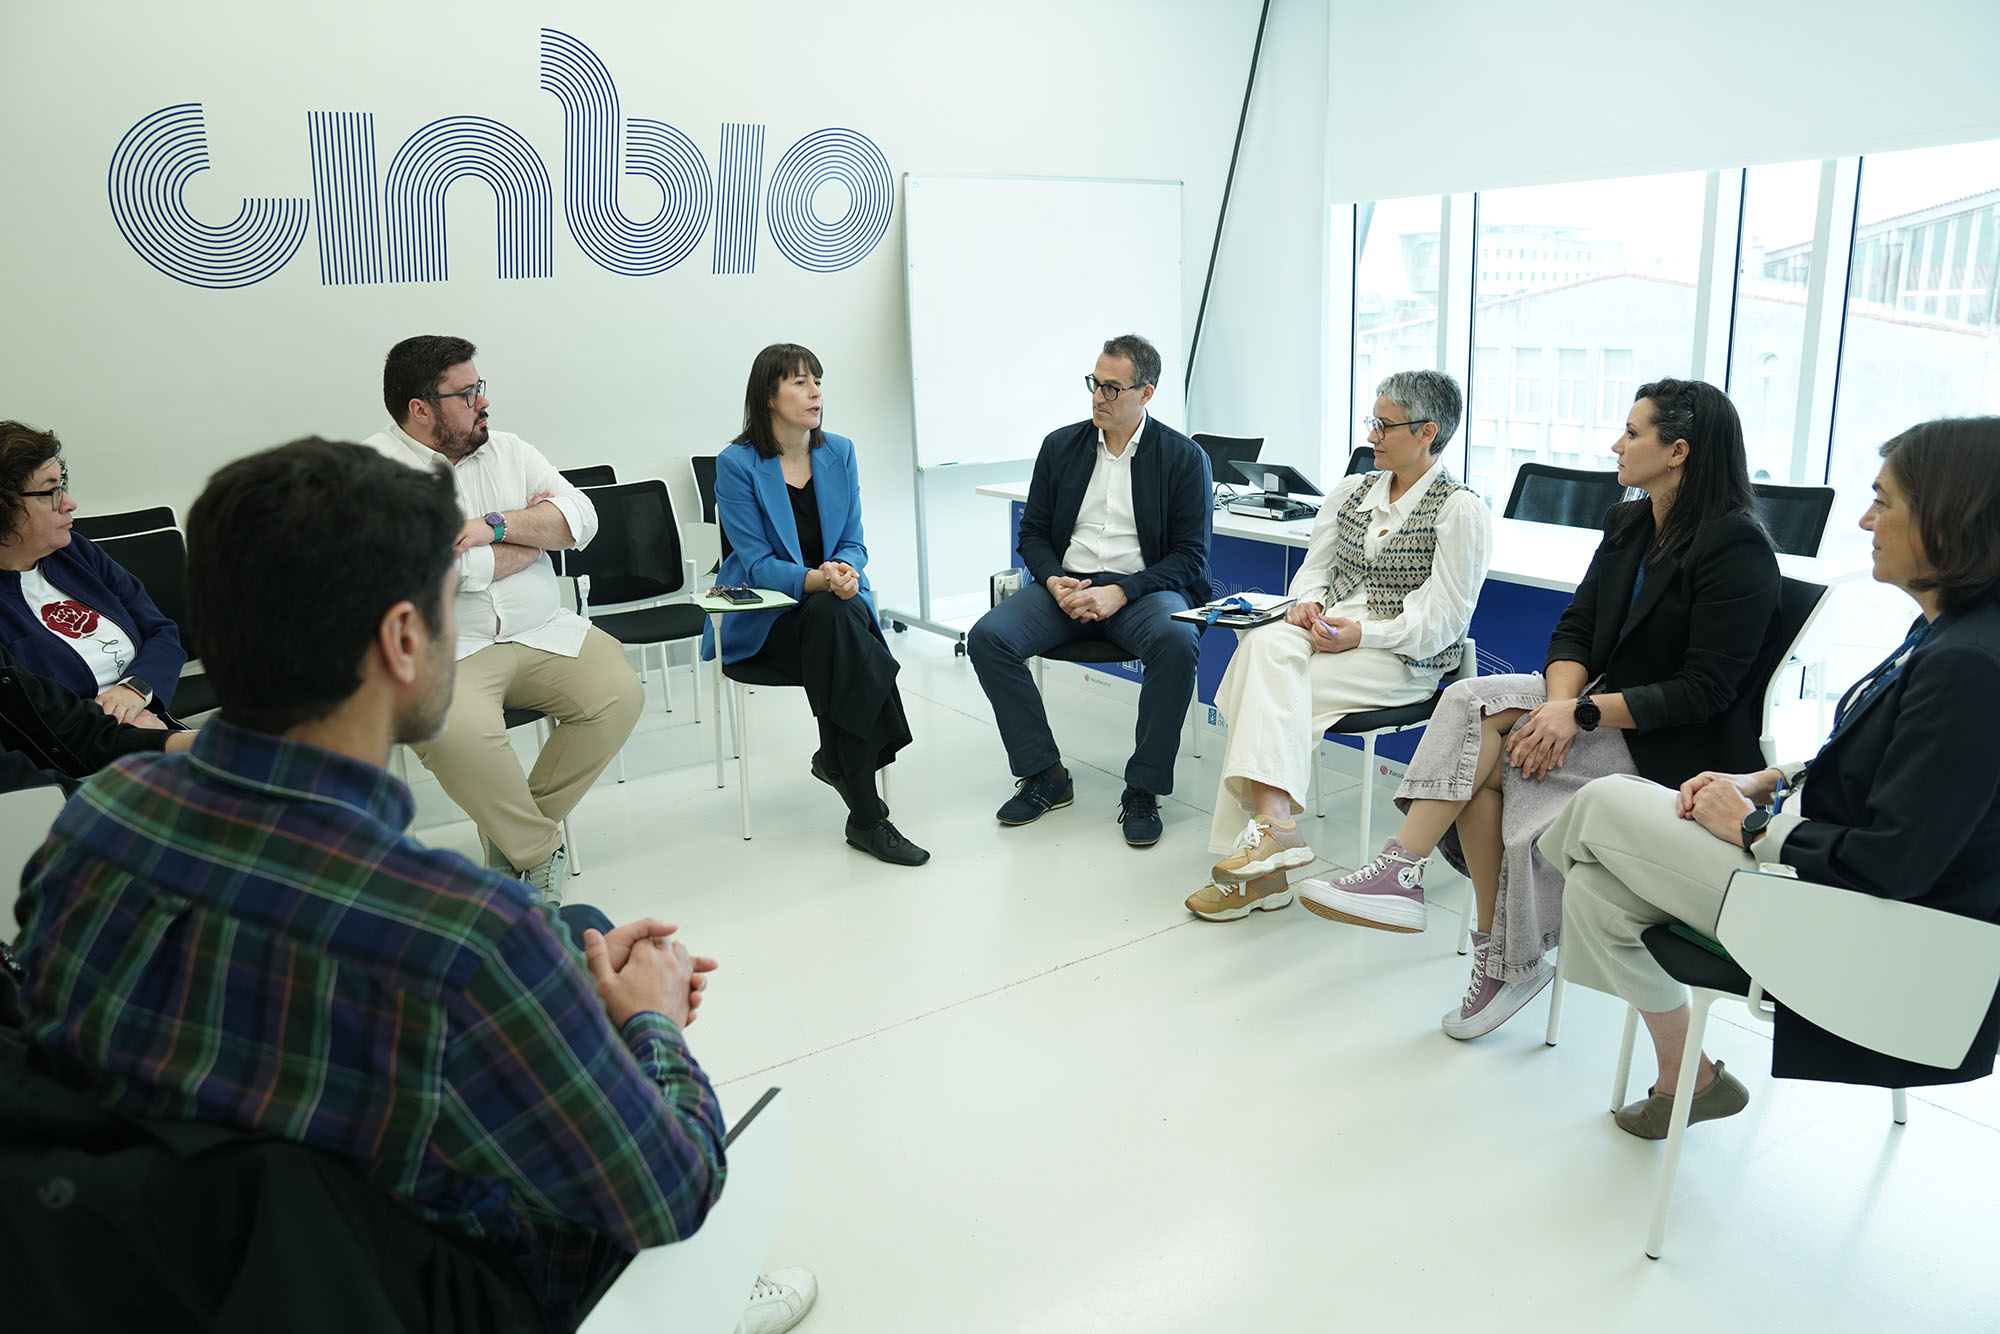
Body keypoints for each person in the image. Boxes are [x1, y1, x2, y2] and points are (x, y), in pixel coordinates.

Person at [9, 438, 818, 1333]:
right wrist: (649, 1020)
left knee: (575, 927)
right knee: (598, 1002)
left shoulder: (97, 823)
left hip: (201, 1262)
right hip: (436, 1284)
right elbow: (669, 1191)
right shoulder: (466, 939)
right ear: (403, 639)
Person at [1544, 416, 2000, 1137]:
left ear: (1952, 517)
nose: (1864, 521)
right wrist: (1771, 776)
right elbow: (1902, 760)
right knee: (1596, 893)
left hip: (1874, 927)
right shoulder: (1948, 632)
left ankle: (1525, 935)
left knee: (1600, 807)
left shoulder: (1971, 663)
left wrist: (1755, 828)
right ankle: (1690, 1078)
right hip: (1828, 874)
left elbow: (1896, 862)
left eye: (1883, 502)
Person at [1302, 379, 1783, 1041]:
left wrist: (1578, 717)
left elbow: (1704, 692)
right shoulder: (1630, 523)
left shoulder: (1737, 548)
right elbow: (1575, 629)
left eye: (1632, 433)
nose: (1616, 445)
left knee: (1486, 767)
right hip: (1597, 705)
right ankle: (1446, 911)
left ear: (1678, 452)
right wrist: (1559, 707)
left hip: (1671, 745)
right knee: (1472, 712)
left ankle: (1462, 925)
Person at [1186, 371, 1491, 921]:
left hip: (1402, 657)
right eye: (1373, 421)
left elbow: (1443, 622)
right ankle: (1273, 833)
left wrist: (1363, 634)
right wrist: (1308, 604)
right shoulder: (1351, 492)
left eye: (1384, 425)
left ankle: (1263, 870)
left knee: (1264, 693)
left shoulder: (1459, 509)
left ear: (1427, 432)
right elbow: (1314, 571)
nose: (1371, 435)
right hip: (1330, 633)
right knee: (1263, 647)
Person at [364, 335, 643, 902]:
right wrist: (527, 544)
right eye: (467, 394)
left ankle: (508, 840)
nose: (484, 403)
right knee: (451, 731)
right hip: (445, 650)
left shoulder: (510, 450)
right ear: (421, 409)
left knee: (619, 695)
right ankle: (537, 852)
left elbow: (581, 519)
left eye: (480, 387)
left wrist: (490, 528)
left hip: (542, 630)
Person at [966, 333, 1212, 847]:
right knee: (988, 637)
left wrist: (1121, 592)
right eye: (1094, 383)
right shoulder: (1061, 446)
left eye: (1112, 388)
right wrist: (1053, 579)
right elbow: (1033, 532)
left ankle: (1144, 788)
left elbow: (1191, 557)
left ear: (1146, 393)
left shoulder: (1184, 457)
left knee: (1176, 639)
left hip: (1142, 591)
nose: (1098, 397)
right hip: (1067, 585)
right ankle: (1045, 774)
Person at [708, 343, 927, 867]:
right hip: (768, 620)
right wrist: (819, 580)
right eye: (800, 382)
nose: (816, 393)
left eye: (818, 382)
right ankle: (860, 804)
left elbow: (853, 541)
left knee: (835, 621)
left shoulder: (839, 452)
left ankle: (854, 793)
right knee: (841, 629)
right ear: (769, 396)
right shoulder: (737, 464)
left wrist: (844, 571)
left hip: (832, 612)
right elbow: (757, 563)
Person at [0, 421, 185, 727]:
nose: (70, 503)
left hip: (151, 712)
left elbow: (161, 630)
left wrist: (136, 689)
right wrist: (125, 730)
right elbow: (33, 719)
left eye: (63, 486)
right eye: (51, 491)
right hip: (87, 746)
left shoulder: (76, 552)